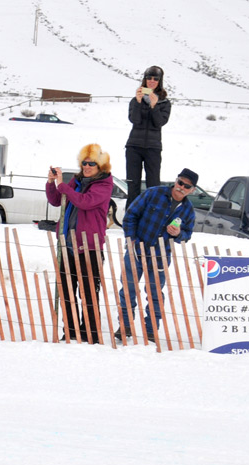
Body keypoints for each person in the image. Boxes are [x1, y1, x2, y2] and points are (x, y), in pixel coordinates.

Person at [115, 168, 198, 342]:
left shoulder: (188, 211)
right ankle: (125, 326)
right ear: (175, 181)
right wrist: (132, 241)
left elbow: (187, 236)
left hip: (160, 257)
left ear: (192, 190)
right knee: (128, 289)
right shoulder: (154, 193)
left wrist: (177, 234)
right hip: (136, 251)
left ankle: (151, 330)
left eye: (186, 186)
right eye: (179, 182)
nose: (181, 187)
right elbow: (130, 216)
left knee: (154, 293)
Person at [46, 144, 113, 343]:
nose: (87, 166)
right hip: (68, 242)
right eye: (84, 162)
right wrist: (52, 183)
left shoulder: (104, 184)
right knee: (67, 290)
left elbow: (85, 201)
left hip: (89, 246)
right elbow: (57, 200)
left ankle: (90, 333)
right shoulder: (77, 180)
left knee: (89, 292)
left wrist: (63, 185)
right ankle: (71, 330)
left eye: (92, 163)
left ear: (100, 165)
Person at [125, 65, 171, 208]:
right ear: (144, 80)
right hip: (134, 146)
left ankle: (151, 218)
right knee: (133, 185)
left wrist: (154, 105)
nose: (151, 81)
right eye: (148, 78)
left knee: (153, 185)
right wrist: (139, 103)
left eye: (155, 79)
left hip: (153, 148)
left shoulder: (164, 102)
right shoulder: (135, 100)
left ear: (160, 81)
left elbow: (159, 122)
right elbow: (135, 120)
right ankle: (130, 220)